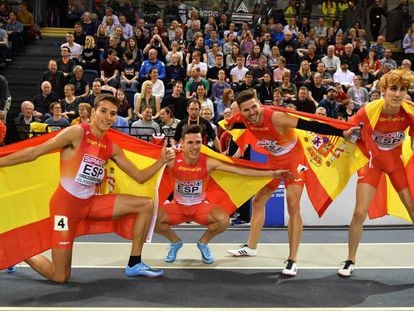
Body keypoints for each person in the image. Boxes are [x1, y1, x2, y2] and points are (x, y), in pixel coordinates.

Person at [0, 94, 175, 283]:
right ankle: (19, 252)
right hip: (65, 210)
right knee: (60, 276)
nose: (108, 117)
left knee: (146, 205)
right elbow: (34, 152)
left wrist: (162, 161)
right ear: (93, 112)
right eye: (104, 111)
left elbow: (140, 176)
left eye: (113, 113)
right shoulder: (77, 133)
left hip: (90, 204)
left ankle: (134, 263)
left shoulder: (111, 146)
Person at [227, 89, 358, 276]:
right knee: (258, 201)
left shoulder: (277, 118)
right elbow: (236, 123)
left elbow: (310, 125)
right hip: (274, 160)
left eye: (254, 107)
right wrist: (228, 123)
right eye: (246, 110)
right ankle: (251, 246)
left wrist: (342, 132)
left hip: (294, 159)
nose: (251, 113)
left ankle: (292, 259)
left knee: (292, 204)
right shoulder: (243, 117)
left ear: (260, 104)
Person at [156, 124, 293, 264]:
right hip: (178, 208)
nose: (194, 146)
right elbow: (149, 159)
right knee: (151, 220)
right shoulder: (172, 160)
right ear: (182, 145)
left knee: (224, 221)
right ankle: (175, 242)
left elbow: (240, 171)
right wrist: (163, 153)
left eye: (198, 142)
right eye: (190, 142)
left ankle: (203, 243)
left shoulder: (208, 162)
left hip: (199, 208)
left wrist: (272, 173)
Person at [337, 69, 414, 277]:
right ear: (384, 90)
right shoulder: (368, 111)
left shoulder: (409, 112)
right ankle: (350, 260)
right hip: (372, 162)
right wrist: (350, 134)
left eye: (403, 89)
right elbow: (347, 133)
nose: (398, 94)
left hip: (395, 163)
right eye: (393, 89)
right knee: (360, 212)